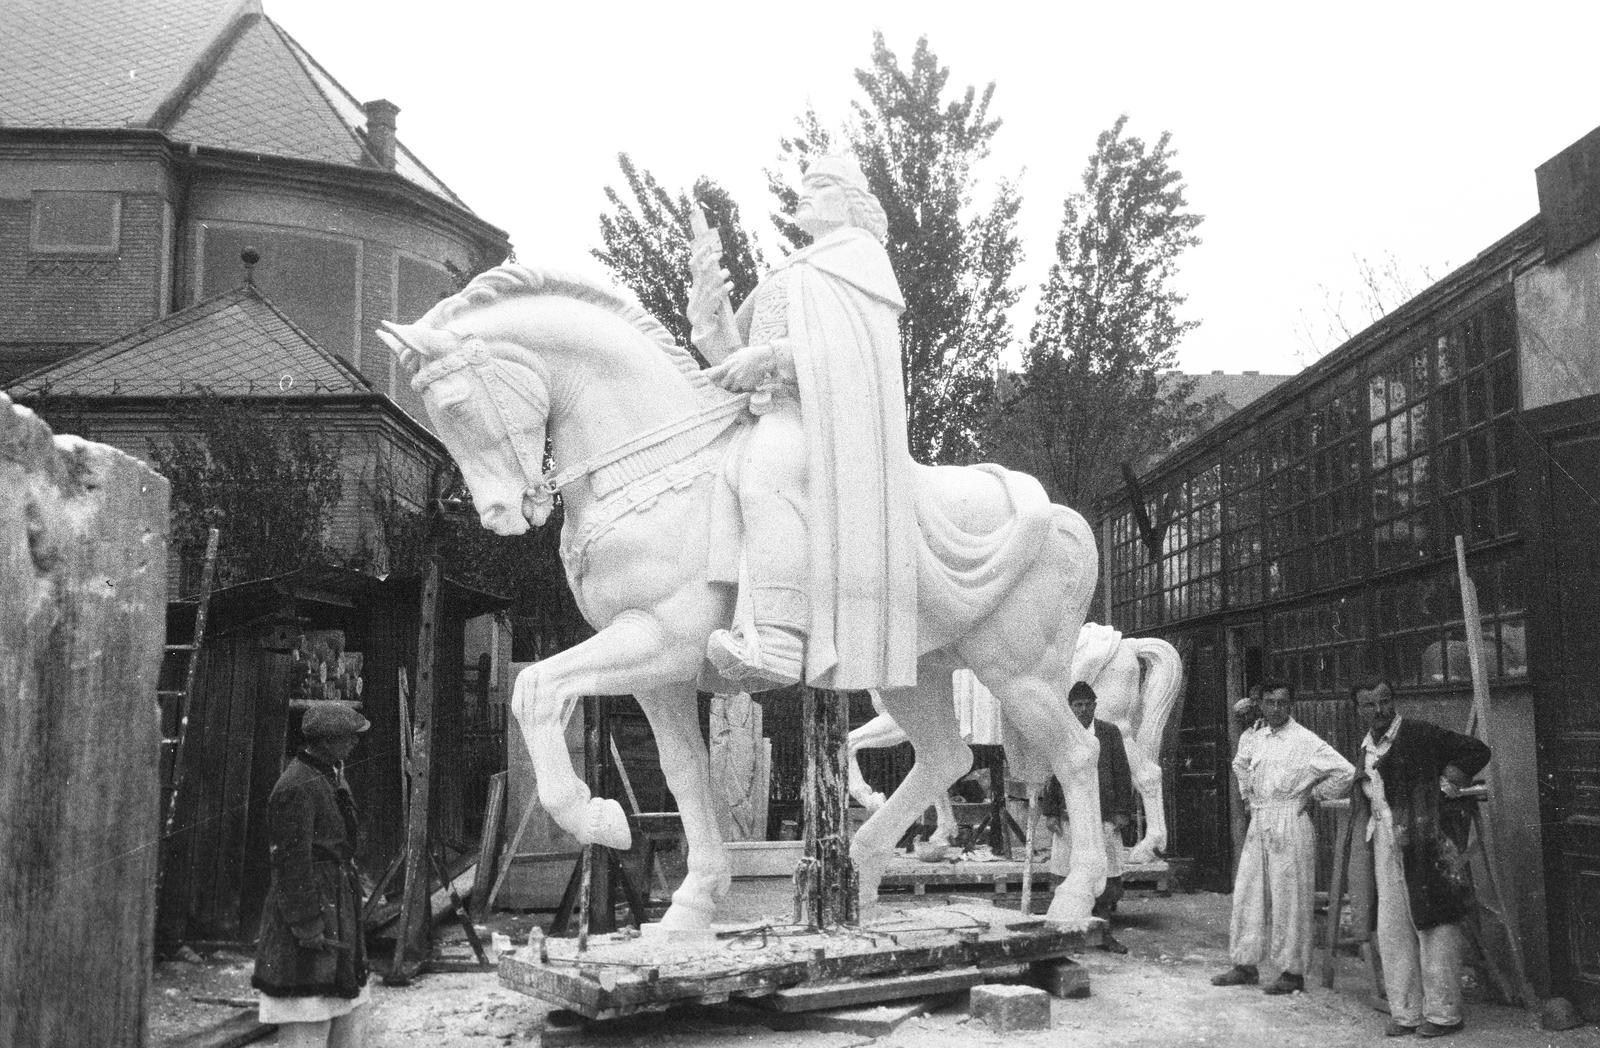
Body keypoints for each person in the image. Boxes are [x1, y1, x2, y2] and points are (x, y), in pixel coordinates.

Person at [689, 154, 916, 692]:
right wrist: (705, 310)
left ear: (850, 200)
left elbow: (856, 352)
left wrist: (769, 357)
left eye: (819, 186)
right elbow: (732, 357)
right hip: (770, 410)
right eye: (804, 185)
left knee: (766, 470)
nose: (804, 194)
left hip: (822, 423)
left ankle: (779, 639)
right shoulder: (791, 270)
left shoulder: (861, 261)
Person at [1351, 676, 1490, 1039]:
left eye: (1385, 700)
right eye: (1370, 704)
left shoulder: (1419, 733)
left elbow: (1477, 750)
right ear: (1359, 709)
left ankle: (1445, 1015)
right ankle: (1406, 1012)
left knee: (1435, 921)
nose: (1380, 710)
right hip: (1385, 839)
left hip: (1424, 839)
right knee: (1393, 927)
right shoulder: (1366, 746)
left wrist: (1447, 783)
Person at [1212, 678, 1354, 995]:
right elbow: (1241, 765)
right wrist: (1247, 797)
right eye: (1271, 702)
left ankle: (1292, 973)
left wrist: (1315, 794)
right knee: (1249, 892)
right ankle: (1244, 964)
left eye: (1283, 703)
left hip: (1291, 819)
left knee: (1290, 898)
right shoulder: (1254, 737)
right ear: (1260, 703)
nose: (1277, 709)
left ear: (1291, 705)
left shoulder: (1305, 741)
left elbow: (1346, 772)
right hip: (1260, 819)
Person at [253, 702, 372, 1048]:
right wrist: (307, 925)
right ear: (325, 741)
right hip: (310, 914)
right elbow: (290, 865)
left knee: (346, 1013)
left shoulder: (331, 774)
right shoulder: (295, 786)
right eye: (349, 738)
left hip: (337, 906)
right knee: (307, 1013)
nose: (355, 743)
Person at [1041, 681, 1136, 953]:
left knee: (1105, 876)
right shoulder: (1063, 734)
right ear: (1070, 708)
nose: (1083, 710)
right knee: (1068, 873)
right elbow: (1053, 775)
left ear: (1095, 705)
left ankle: (1103, 933)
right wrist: (1050, 812)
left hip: (1102, 815)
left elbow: (1122, 771)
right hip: (1070, 816)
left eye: (1087, 705)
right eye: (1078, 705)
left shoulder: (1109, 733)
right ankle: (1071, 935)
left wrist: (1121, 811)